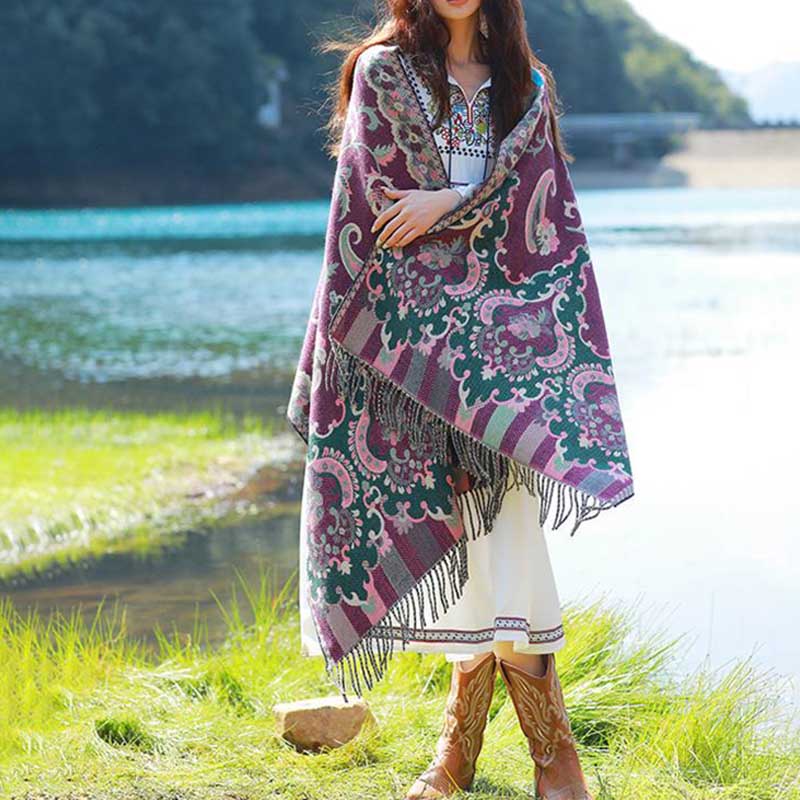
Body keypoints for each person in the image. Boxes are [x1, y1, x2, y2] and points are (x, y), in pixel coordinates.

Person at [298, 2, 595, 798]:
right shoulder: (383, 74)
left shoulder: (523, 87)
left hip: (505, 364)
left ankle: (530, 756)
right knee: (466, 555)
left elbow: (549, 224)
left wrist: (447, 206)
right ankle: (483, 757)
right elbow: (371, 211)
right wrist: (450, 207)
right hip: (412, 365)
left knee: (511, 547)